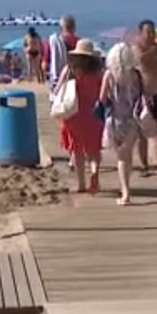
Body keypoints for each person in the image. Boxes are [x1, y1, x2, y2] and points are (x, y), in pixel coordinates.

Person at [57, 40, 106, 194]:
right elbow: (104, 93)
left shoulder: (70, 70)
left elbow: (58, 89)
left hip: (74, 115)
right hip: (94, 115)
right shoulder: (99, 73)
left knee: (77, 150)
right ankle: (95, 173)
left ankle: (81, 184)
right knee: (94, 149)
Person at [100, 43, 144, 206]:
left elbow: (102, 99)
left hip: (115, 119)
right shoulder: (136, 75)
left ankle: (125, 191)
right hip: (132, 120)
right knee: (128, 156)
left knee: (121, 158)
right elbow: (141, 97)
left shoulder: (109, 75)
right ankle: (126, 188)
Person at [133, 20, 157, 179]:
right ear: (140, 33)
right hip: (142, 95)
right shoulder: (136, 48)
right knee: (141, 133)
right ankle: (144, 166)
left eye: (153, 32)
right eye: (147, 32)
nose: (151, 35)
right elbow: (142, 61)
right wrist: (155, 55)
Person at [48, 16, 81, 156]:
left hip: (61, 83)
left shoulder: (54, 41)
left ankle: (71, 149)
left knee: (63, 117)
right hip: (77, 82)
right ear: (74, 27)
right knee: (77, 117)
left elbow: (48, 61)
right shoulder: (79, 42)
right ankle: (75, 151)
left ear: (62, 27)